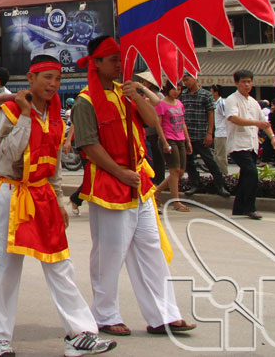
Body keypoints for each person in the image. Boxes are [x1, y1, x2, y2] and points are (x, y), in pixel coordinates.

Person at [0, 55, 116, 357]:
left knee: (60, 265)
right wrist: (27, 116)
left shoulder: (56, 113)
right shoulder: (10, 111)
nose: (54, 85)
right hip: (14, 193)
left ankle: (80, 333)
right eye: (47, 78)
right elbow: (7, 154)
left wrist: (59, 200)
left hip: (43, 195)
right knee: (7, 268)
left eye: (57, 79)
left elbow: (54, 162)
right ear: (30, 78)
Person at [72, 36, 195, 337]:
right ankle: (104, 314)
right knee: (109, 253)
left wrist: (138, 94)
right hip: (109, 183)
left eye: (120, 59)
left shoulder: (125, 92)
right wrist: (119, 172)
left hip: (139, 183)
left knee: (150, 248)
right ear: (96, 63)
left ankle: (163, 315)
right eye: (112, 59)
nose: (118, 64)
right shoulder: (85, 101)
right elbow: (88, 145)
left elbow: (153, 121)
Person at [225, 69, 275, 220]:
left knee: (246, 175)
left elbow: (264, 122)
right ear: (236, 83)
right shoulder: (232, 100)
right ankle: (249, 207)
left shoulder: (253, 102)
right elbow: (233, 118)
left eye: (249, 82)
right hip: (238, 144)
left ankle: (238, 208)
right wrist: (256, 123)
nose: (247, 85)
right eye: (243, 82)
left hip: (252, 144)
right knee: (252, 173)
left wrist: (272, 137)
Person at [180, 72, 229, 197]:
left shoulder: (206, 95)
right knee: (189, 163)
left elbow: (211, 114)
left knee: (210, 161)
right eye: (184, 80)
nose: (186, 82)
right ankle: (194, 184)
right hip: (187, 136)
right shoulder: (183, 95)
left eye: (188, 79)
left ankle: (220, 185)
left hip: (201, 134)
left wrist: (209, 133)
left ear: (195, 79)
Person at [155, 82, 190, 212]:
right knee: (174, 170)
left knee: (180, 171)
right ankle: (176, 202)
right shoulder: (161, 104)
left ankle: (157, 191)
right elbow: (157, 124)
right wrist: (164, 142)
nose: (176, 91)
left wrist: (188, 141)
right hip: (169, 139)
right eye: (174, 89)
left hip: (180, 138)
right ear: (167, 89)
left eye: (179, 89)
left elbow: (183, 122)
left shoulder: (179, 104)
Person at [210, 85, 229, 176]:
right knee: (218, 155)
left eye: (212, 92)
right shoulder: (216, 103)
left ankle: (224, 174)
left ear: (216, 92)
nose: (211, 94)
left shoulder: (221, 103)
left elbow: (227, 117)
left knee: (221, 156)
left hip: (222, 133)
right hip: (218, 132)